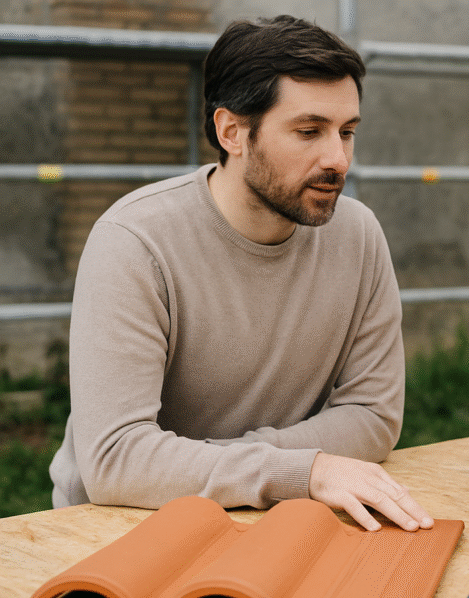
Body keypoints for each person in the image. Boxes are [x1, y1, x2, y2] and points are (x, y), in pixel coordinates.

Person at [49, 15, 433, 533]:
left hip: (273, 521)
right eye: (309, 132)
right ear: (232, 132)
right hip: (116, 529)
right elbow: (117, 461)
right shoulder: (134, 242)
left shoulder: (358, 235)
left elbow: (373, 416)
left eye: (347, 132)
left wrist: (241, 469)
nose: (338, 159)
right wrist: (301, 470)